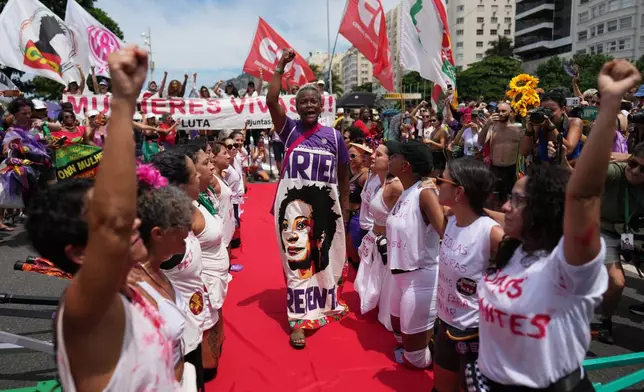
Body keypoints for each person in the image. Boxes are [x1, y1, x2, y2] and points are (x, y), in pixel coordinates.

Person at [468, 59, 638, 392]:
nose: (505, 206)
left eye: (517, 201)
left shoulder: (568, 266)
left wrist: (609, 106)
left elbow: (584, 195)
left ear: (543, 211)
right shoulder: (514, 247)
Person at [25, 46, 180, 391]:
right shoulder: (86, 309)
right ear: (80, 254)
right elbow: (116, 222)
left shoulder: (135, 281)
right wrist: (123, 102)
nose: (133, 221)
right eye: (107, 219)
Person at [267, 48, 350, 349]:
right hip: (293, 210)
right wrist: (280, 68)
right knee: (297, 261)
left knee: (323, 260)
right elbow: (271, 100)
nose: (309, 104)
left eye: (314, 100)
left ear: (321, 104)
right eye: (303, 101)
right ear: (297, 107)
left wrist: (346, 204)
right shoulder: (288, 130)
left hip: (326, 208)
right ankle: (298, 321)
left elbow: (344, 170)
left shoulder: (334, 136)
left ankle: (321, 304)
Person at [433, 158, 503, 392]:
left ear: (459, 192)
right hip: (444, 325)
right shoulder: (451, 218)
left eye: (441, 180)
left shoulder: (490, 233)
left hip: (473, 335)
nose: (436, 184)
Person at [385, 139, 445, 369]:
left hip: (420, 277)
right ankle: (429, 334)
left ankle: (443, 350)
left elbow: (446, 233)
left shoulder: (425, 193)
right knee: (398, 334)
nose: (391, 159)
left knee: (415, 360)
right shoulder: (406, 191)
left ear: (406, 165)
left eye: (395, 156)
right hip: (398, 277)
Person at [594, 141, 644, 343]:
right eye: (633, 164)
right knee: (617, 282)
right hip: (604, 229)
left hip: (633, 232)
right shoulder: (614, 172)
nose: (635, 171)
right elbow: (581, 175)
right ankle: (605, 320)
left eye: (643, 169)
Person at [355, 143, 403, 331]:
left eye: (379, 154)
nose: (372, 156)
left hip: (387, 247)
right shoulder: (377, 181)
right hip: (374, 240)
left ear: (391, 160)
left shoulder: (396, 185)